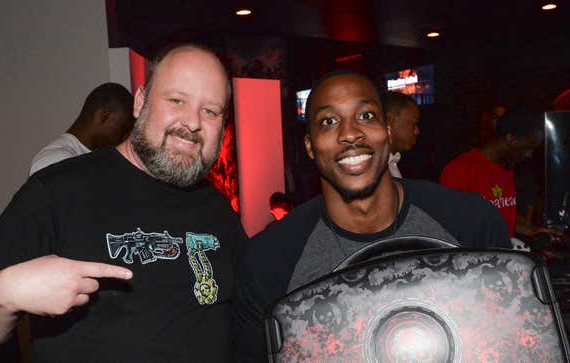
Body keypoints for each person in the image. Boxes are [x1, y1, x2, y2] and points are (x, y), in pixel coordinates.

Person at [0, 43, 245, 362]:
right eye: (176, 100)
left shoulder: (218, 210)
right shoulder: (57, 190)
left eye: (210, 110)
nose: (192, 122)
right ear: (141, 102)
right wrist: (3, 295)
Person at [233, 70, 511, 361]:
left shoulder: (471, 223)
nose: (351, 133)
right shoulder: (268, 261)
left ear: (388, 133)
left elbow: (508, 339)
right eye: (328, 121)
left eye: (366, 116)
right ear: (309, 147)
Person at [440, 110, 544, 238]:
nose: (529, 155)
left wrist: (532, 231)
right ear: (510, 139)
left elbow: (502, 215)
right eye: (527, 148)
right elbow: (449, 227)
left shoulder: (506, 168)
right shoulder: (459, 170)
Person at [29, 82, 135, 175]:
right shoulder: (54, 160)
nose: (125, 138)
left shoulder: (94, 159)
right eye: (123, 128)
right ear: (103, 116)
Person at [385, 91, 420, 178]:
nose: (417, 131)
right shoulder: (373, 170)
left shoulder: (392, 163)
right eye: (414, 123)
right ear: (390, 120)